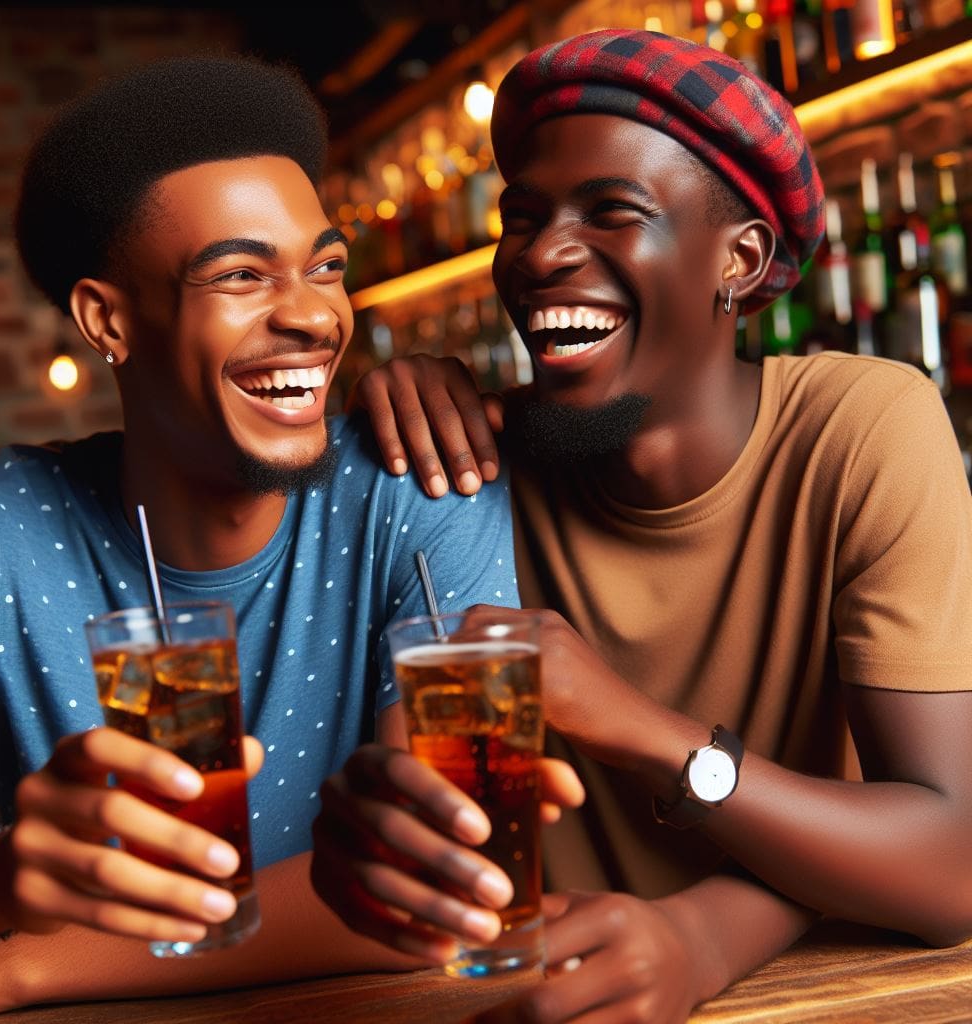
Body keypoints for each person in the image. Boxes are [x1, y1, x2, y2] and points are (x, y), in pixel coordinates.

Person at [310, 27, 972, 1023]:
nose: (540, 254)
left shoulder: (862, 426)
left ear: (740, 260)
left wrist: (638, 733)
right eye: (521, 219)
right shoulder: (455, 464)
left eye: (611, 211)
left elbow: (949, 863)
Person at [0, 53, 583, 1021]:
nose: (311, 315)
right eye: (241, 275)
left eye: (325, 267)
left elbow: (442, 881)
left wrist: (12, 964)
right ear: (106, 320)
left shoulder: (421, 486)